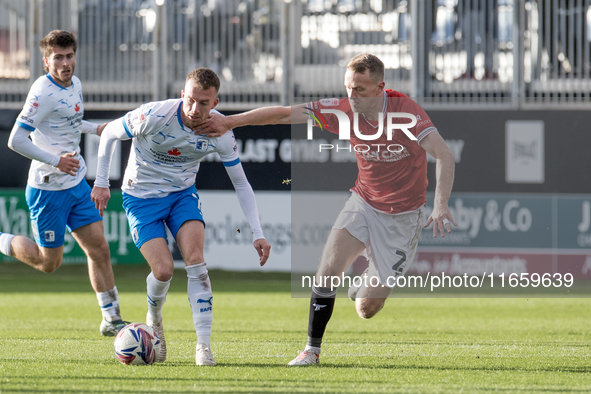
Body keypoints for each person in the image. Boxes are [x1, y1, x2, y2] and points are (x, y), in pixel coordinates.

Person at [196, 53, 457, 366]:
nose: (352, 96)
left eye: (360, 89)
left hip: (403, 217)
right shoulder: (342, 110)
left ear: (380, 88)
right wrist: (230, 121)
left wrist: (440, 203)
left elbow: (444, 155)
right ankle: (311, 351)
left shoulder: (406, 113)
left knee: (366, 308)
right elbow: (281, 114)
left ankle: (364, 283)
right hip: (363, 202)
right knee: (326, 271)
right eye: (348, 88)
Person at [90, 68, 271, 366]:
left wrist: (257, 231)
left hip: (182, 196)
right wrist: (101, 182)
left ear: (214, 102)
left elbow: (241, 183)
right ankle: (155, 318)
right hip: (141, 198)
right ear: (182, 94)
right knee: (162, 271)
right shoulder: (154, 115)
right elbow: (110, 133)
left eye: (204, 103)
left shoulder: (220, 131)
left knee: (196, 261)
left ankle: (203, 347)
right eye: (190, 100)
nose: (195, 109)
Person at [3, 30, 127, 337]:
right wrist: (55, 160)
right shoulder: (42, 92)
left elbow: (69, 122)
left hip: (75, 183)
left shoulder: (76, 84)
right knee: (50, 263)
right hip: (47, 188)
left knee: (99, 247)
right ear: (46, 62)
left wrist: (96, 128)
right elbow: (15, 139)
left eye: (69, 55)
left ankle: (111, 318)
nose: (65, 63)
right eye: (58, 57)